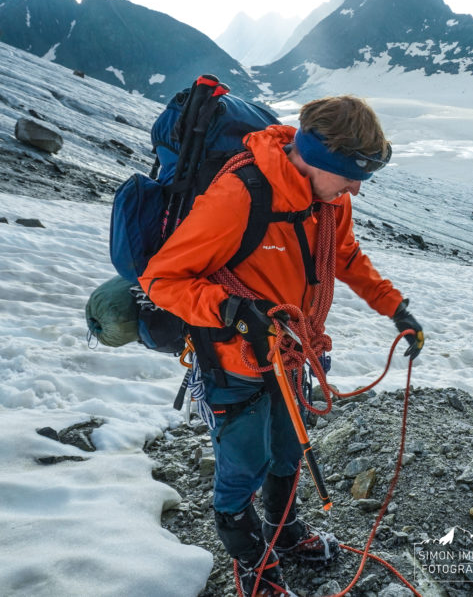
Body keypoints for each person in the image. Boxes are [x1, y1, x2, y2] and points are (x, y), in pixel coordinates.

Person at [138, 95, 424, 597]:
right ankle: (253, 564)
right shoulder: (240, 194)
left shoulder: (330, 200)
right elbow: (162, 278)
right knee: (243, 463)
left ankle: (285, 534)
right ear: (318, 157)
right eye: (353, 174)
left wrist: (395, 307)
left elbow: (346, 256)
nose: (357, 187)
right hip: (236, 362)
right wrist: (229, 310)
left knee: (289, 450)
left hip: (292, 354)